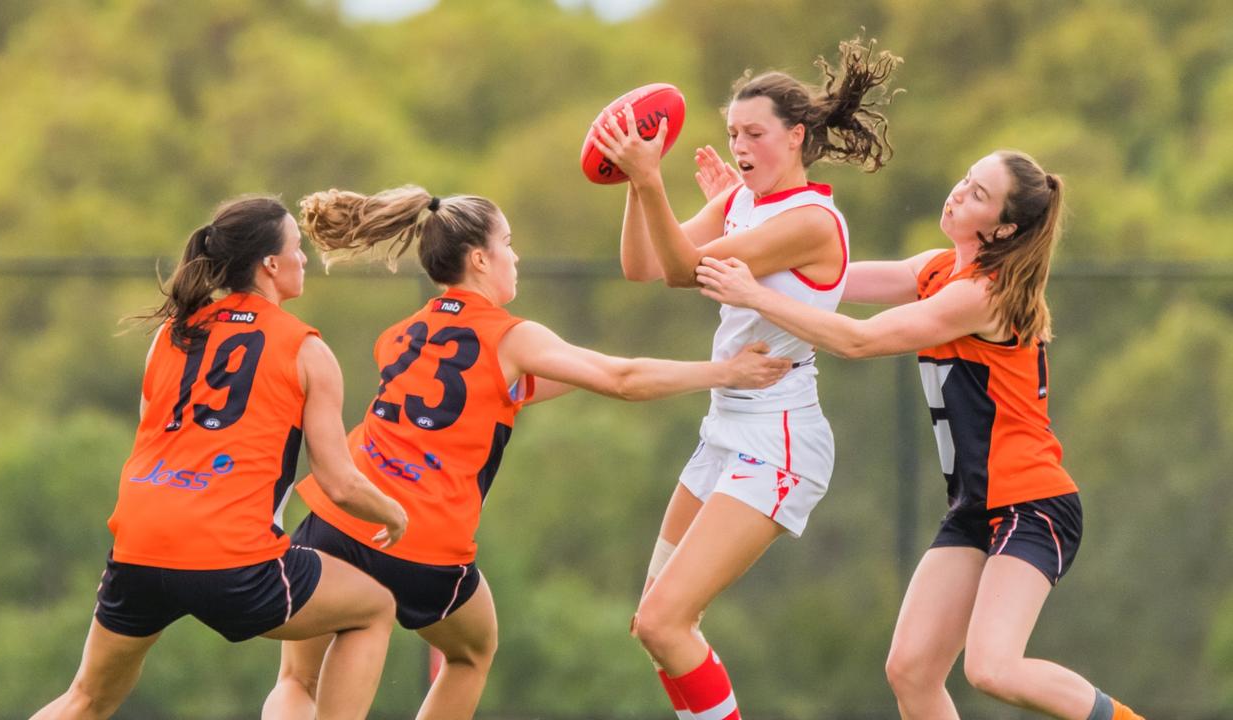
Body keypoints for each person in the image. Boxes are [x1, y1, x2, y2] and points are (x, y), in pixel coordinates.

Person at [260, 186, 792, 720]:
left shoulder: (401, 334)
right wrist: (726, 372)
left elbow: (515, 387)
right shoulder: (512, 337)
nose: (514, 256)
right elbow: (622, 379)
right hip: (424, 539)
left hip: (342, 517)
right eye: (508, 244)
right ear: (479, 259)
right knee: (471, 653)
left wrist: (583, 368)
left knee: (296, 678)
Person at [693, 150, 1145, 720]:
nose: (958, 192)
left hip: (1032, 506)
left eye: (978, 194)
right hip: (976, 508)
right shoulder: (934, 270)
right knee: (911, 670)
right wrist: (751, 221)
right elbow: (819, 279)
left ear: (1003, 228)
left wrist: (756, 295)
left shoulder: (983, 294)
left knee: (992, 668)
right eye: (965, 179)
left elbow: (856, 340)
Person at [589, 36, 901, 720]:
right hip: (725, 428)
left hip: (777, 440)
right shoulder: (742, 204)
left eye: (755, 133)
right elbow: (643, 264)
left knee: (665, 622)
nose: (740, 146)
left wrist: (648, 180)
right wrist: (636, 183)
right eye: (733, 133)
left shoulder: (809, 220)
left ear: (796, 137)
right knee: (656, 624)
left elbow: (680, 270)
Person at [32, 197, 409, 720]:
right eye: (297, 250)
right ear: (270, 265)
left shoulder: (171, 333)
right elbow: (339, 482)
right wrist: (394, 513)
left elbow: (154, 435)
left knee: (87, 700)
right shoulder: (305, 349)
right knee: (373, 609)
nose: (304, 259)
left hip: (140, 541)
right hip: (229, 556)